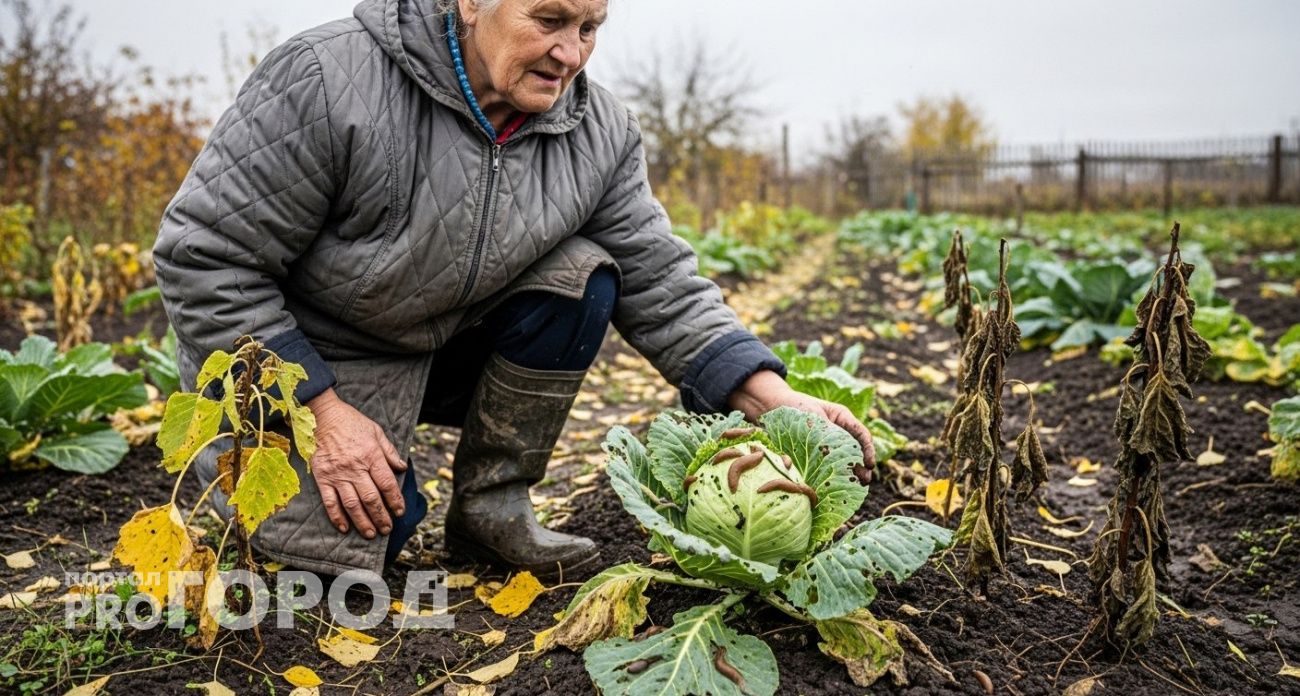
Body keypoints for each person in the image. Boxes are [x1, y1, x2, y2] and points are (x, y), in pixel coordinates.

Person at [153, 0, 875, 579]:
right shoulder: (327, 77)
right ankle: (345, 474)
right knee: (361, 550)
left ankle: (491, 507)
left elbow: (657, 274)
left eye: (591, 27)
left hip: (445, 341)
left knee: (587, 274)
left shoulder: (600, 132)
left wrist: (770, 397)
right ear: (471, 4)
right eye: (549, 20)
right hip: (306, 362)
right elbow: (205, 259)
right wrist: (324, 411)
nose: (571, 53)